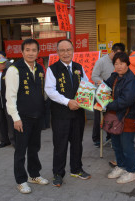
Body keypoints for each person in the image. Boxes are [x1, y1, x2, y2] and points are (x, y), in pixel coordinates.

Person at [45, 39, 91, 187]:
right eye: (62, 50)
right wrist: (67, 102)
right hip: (60, 115)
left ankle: (76, 169)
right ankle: (58, 173)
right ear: (58, 52)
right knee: (60, 145)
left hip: (78, 113)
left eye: (68, 50)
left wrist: (92, 94)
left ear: (73, 51)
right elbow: (50, 90)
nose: (66, 53)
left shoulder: (79, 67)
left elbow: (86, 84)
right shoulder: (52, 69)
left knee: (77, 143)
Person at [6, 39, 48, 194]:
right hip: (22, 118)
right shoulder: (14, 69)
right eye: (28, 50)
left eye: (34, 50)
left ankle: (34, 174)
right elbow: (10, 96)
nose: (31, 53)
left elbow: (43, 92)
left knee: (34, 148)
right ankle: (21, 180)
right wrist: (15, 118)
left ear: (38, 52)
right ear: (22, 52)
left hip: (37, 116)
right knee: (20, 150)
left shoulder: (40, 69)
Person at [105, 52, 135, 184]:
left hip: (128, 117)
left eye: (122, 63)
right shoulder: (114, 76)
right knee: (116, 143)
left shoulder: (131, 79)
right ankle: (121, 166)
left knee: (127, 145)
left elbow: (127, 100)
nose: (119, 66)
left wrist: (107, 104)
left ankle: (131, 171)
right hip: (114, 116)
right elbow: (105, 88)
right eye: (116, 63)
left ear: (127, 64)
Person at [91, 43, 125, 147]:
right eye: (117, 54)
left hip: (114, 94)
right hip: (101, 94)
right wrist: (104, 83)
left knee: (111, 116)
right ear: (113, 52)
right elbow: (94, 76)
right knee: (99, 117)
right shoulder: (101, 61)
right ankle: (96, 138)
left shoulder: (119, 62)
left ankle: (110, 136)